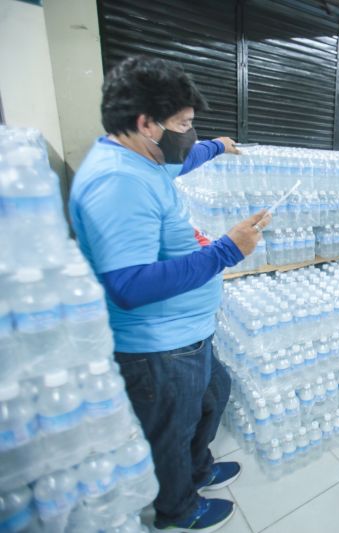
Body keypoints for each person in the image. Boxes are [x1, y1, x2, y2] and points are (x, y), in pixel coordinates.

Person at [69, 56, 269, 532]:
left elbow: (184, 160)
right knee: (172, 432)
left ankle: (198, 470)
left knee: (213, 397)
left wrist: (218, 145)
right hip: (158, 346)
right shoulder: (118, 182)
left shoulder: (143, 159)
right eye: (183, 125)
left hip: (187, 334)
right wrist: (226, 251)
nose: (189, 135)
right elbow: (129, 285)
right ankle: (177, 508)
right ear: (146, 123)